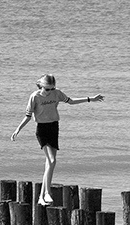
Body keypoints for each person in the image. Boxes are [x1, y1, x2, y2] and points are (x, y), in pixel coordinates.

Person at [11, 74, 105, 205]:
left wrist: (90, 99)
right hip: (42, 129)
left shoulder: (57, 93)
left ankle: (41, 198)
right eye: (47, 89)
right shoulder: (34, 97)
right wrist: (18, 129)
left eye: (52, 89)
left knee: (49, 164)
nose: (50, 91)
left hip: (54, 127)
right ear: (41, 86)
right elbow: (28, 116)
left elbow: (71, 101)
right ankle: (47, 192)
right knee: (52, 160)